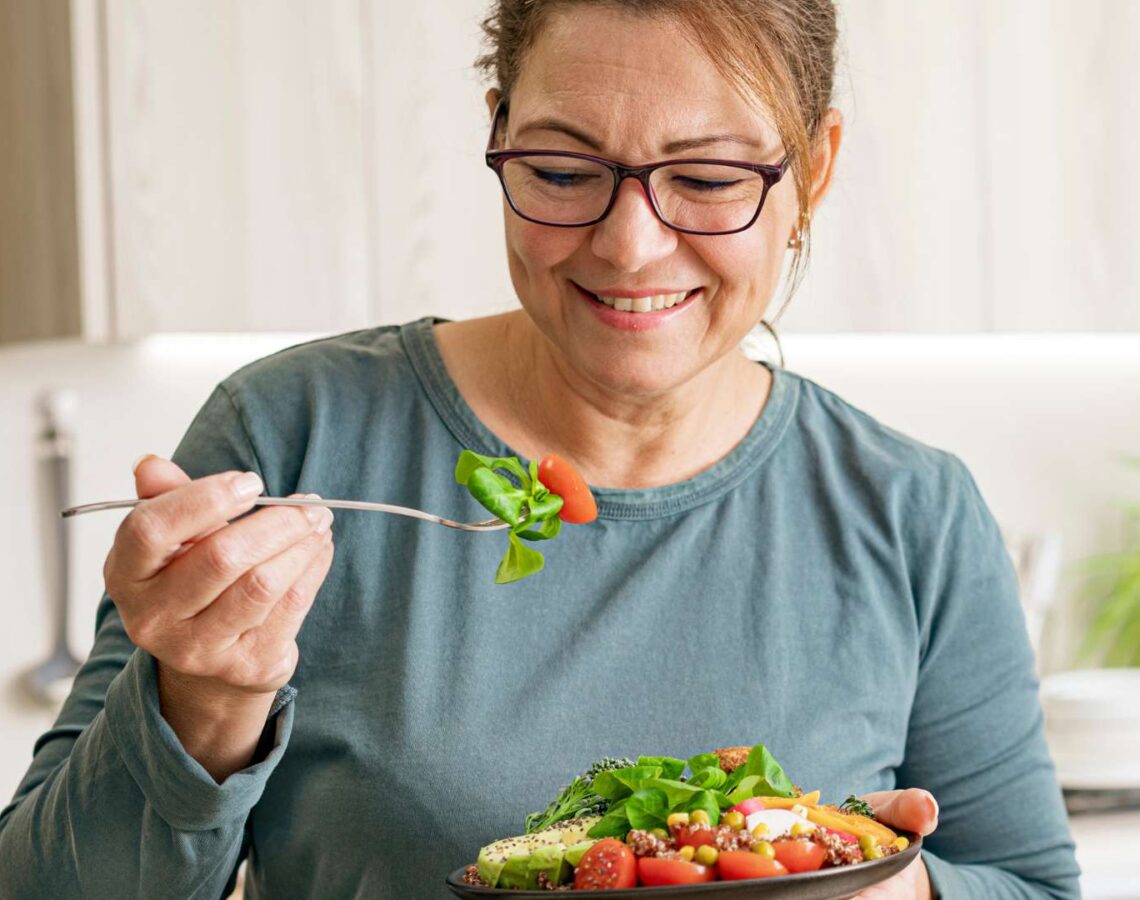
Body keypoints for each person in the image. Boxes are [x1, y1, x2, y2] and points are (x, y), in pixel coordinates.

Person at [0, 1, 1079, 897]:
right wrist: (203, 705)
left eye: (704, 178)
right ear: (498, 131)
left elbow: (1031, 883)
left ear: (816, 171)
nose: (629, 243)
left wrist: (895, 886)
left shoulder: (913, 512)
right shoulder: (294, 434)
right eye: (563, 170)